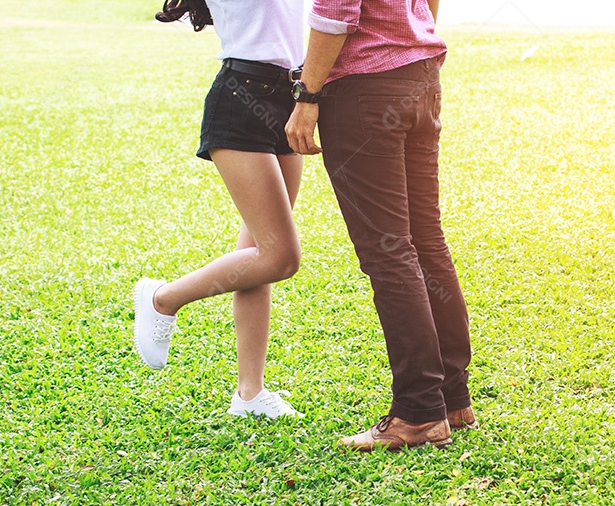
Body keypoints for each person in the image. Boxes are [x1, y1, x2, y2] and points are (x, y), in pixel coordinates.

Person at [286, 0, 476, 451]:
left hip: (365, 89)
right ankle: (451, 399)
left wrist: (307, 95)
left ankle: (418, 413)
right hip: (419, 74)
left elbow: (334, 13)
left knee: (389, 251)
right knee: (425, 240)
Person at [133, 0, 306, 419]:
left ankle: (249, 394)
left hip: (294, 97)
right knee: (279, 256)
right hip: (243, 97)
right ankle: (162, 298)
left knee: (258, 254)